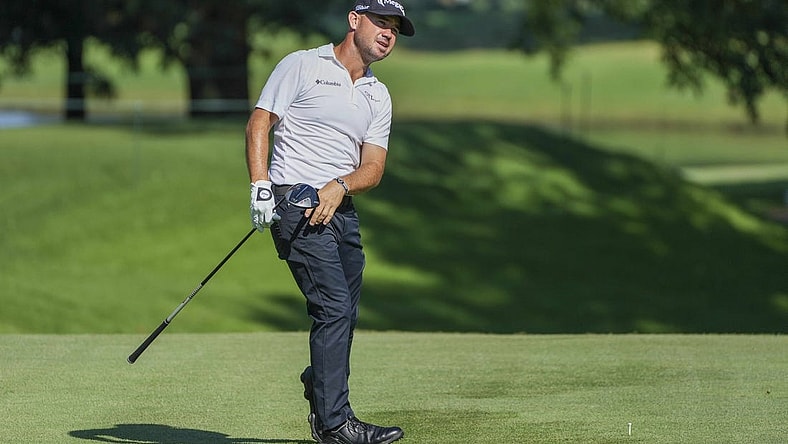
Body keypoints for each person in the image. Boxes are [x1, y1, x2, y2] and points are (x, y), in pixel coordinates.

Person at [245, 1, 415, 443]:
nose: (388, 34)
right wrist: (261, 186)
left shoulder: (379, 95)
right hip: (295, 202)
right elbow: (260, 122)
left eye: (395, 29)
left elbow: (373, 168)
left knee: (346, 314)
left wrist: (340, 185)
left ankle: (321, 384)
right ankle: (336, 424)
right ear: (354, 20)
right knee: (333, 308)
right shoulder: (302, 65)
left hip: (341, 208)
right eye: (381, 23)